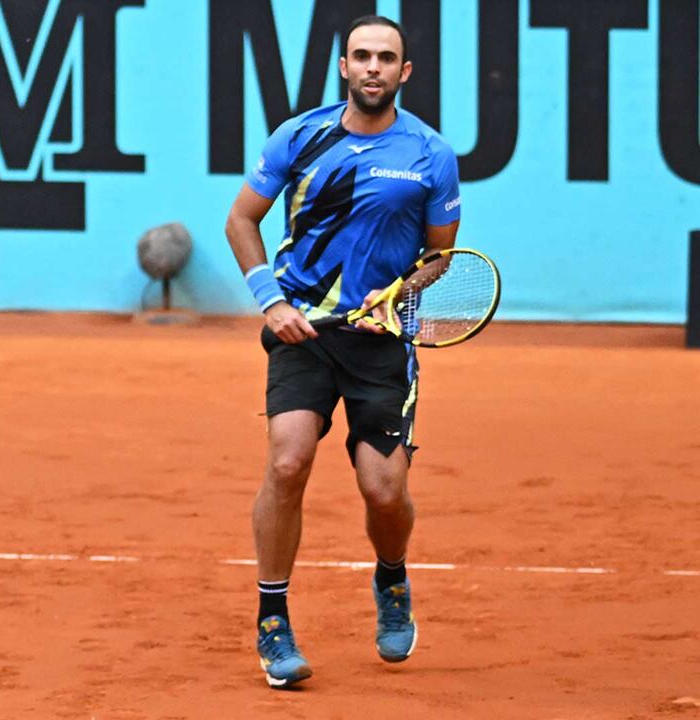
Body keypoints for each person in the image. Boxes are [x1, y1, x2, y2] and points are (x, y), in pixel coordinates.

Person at [223, 15, 461, 688]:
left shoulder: (431, 154)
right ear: (344, 66)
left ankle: (391, 577)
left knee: (383, 492)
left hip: (382, 344)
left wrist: (399, 298)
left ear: (404, 72)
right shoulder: (300, 136)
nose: (374, 67)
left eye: (387, 58)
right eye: (362, 56)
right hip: (302, 330)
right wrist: (272, 300)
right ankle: (273, 620)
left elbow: (440, 256)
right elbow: (241, 219)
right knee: (288, 459)